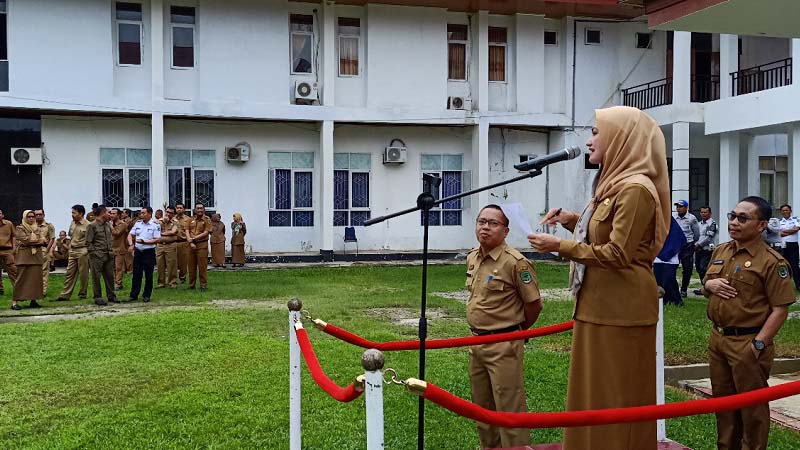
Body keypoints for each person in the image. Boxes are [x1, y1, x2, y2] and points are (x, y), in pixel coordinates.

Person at [528, 106, 670, 450]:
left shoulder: (636, 188)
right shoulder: (613, 184)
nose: (589, 141)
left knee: (617, 393)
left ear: (622, 139)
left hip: (622, 307)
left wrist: (560, 246)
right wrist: (572, 220)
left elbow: (619, 253)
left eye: (595, 132)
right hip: (598, 302)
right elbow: (606, 230)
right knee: (594, 391)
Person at [701, 196, 795, 450]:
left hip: (748, 342)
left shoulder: (772, 262)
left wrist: (757, 345)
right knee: (724, 405)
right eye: (732, 216)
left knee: (751, 411)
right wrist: (709, 285)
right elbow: (708, 285)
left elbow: (780, 309)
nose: (734, 222)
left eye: (743, 218)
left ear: (762, 225)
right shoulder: (722, 250)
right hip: (719, 340)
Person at [466, 205, 542, 449]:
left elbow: (534, 305)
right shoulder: (473, 257)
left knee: (509, 408)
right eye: (481, 221)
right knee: (482, 407)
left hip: (503, 344)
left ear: (506, 230)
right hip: (475, 343)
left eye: (493, 223)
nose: (485, 227)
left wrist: (516, 331)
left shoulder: (516, 263)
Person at [11, 211, 46, 310]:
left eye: (32, 216)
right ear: (25, 217)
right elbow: (25, 240)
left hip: (36, 258)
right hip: (24, 258)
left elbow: (43, 240)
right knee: (21, 280)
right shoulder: (20, 228)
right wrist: (37, 241)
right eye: (29, 216)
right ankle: (15, 302)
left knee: (35, 281)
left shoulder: (37, 228)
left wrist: (36, 241)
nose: (31, 218)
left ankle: (33, 300)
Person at [56, 205, 90, 301]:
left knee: (83, 274)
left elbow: (91, 239)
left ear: (81, 214)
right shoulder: (72, 223)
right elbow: (71, 236)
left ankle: (82, 293)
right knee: (69, 273)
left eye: (74, 213)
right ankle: (65, 295)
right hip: (73, 250)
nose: (72, 215)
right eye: (72, 213)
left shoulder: (88, 225)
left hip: (83, 250)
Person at [127, 206, 161, 303]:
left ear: (149, 213)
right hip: (138, 251)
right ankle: (134, 295)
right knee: (136, 274)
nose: (141, 215)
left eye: (143, 213)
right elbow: (130, 234)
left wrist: (145, 242)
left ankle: (147, 295)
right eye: (141, 213)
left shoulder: (155, 225)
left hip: (148, 252)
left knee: (148, 274)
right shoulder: (138, 224)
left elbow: (157, 239)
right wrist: (131, 244)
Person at [86, 205, 117, 306]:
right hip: (97, 256)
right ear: (103, 213)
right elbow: (88, 242)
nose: (110, 215)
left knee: (110, 276)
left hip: (108, 255)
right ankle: (98, 297)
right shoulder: (92, 225)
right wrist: (94, 253)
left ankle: (111, 295)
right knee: (96, 277)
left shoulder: (107, 225)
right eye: (108, 213)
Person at [654, 217, 684, 306]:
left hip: (670, 259)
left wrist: (668, 251)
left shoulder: (671, 223)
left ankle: (676, 300)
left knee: (669, 280)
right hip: (657, 258)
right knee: (659, 280)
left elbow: (678, 238)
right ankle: (663, 300)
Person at [673, 200, 700, 298]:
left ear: (686, 208)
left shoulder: (692, 218)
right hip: (676, 245)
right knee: (673, 267)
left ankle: (684, 289)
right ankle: (673, 288)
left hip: (688, 245)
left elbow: (696, 233)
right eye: (677, 206)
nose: (678, 208)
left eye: (681, 206)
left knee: (687, 268)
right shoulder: (674, 218)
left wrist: (693, 242)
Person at [185, 203, 212, 291]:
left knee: (202, 267)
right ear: (195, 210)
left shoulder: (207, 220)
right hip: (190, 245)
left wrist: (194, 238)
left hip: (202, 245)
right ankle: (191, 285)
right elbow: (187, 230)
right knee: (191, 267)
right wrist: (189, 239)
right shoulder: (190, 219)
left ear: (204, 209)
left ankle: (203, 285)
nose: (199, 210)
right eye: (198, 208)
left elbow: (206, 232)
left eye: (201, 208)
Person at [693, 206, 718, 296]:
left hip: (707, 250)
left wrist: (698, 245)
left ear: (710, 213)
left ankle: (707, 288)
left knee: (704, 268)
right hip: (698, 250)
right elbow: (696, 235)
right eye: (702, 212)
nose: (703, 214)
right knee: (699, 268)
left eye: (705, 212)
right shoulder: (699, 224)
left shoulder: (712, 224)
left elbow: (708, 237)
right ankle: (704, 287)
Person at [156, 206, 180, 289]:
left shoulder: (175, 222)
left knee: (171, 264)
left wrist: (162, 233)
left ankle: (172, 282)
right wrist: (162, 223)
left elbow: (173, 232)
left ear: (173, 214)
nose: (168, 214)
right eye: (167, 212)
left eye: (170, 213)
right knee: (160, 264)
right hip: (160, 245)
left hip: (170, 245)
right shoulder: (160, 221)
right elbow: (155, 231)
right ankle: (161, 283)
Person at [778, 204, 800, 290]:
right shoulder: (779, 221)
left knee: (795, 265)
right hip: (783, 246)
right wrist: (791, 231)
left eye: (787, 210)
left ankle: (798, 285)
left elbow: (797, 229)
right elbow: (779, 233)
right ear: (781, 212)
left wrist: (784, 231)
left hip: (793, 245)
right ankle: (784, 286)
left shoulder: (795, 219)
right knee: (783, 266)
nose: (785, 212)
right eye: (783, 210)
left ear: (790, 211)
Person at [34, 209, 55, 295]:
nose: (38, 216)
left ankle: (43, 291)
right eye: (36, 215)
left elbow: (52, 238)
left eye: (40, 214)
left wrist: (47, 250)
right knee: (34, 271)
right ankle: (34, 290)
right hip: (33, 250)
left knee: (44, 271)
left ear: (43, 215)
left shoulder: (49, 226)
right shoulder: (32, 225)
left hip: (43, 250)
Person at [110, 208, 130, 291]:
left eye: (114, 213)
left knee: (119, 267)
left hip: (119, 248)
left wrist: (110, 226)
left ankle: (118, 283)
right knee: (112, 268)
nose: (111, 215)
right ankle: (113, 282)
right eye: (111, 213)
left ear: (118, 215)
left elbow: (116, 233)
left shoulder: (123, 224)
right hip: (111, 248)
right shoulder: (109, 223)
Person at [0, 209, 17, 296]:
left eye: (0, 213)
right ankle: (0, 289)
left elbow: (14, 236)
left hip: (7, 249)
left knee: (12, 269)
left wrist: (14, 248)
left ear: (2, 215)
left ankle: (17, 288)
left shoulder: (9, 224)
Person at [175, 203, 191, 283]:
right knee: (173, 261)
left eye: (181, 208)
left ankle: (182, 277)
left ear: (184, 209)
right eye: (177, 208)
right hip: (174, 242)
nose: (179, 209)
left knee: (183, 262)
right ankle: (172, 278)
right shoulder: (173, 218)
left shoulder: (188, 219)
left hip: (184, 242)